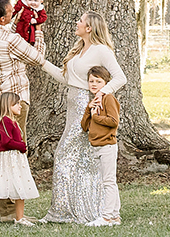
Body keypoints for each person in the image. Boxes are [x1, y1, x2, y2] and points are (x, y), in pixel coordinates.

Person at [41, 12, 127, 224]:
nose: (76, 23)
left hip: (85, 108)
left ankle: (87, 210)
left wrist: (100, 94)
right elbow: (66, 78)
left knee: (65, 155)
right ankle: (70, 209)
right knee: (79, 159)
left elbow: (120, 77)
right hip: (72, 107)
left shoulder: (101, 50)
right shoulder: (79, 48)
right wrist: (41, 62)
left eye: (80, 21)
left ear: (89, 27)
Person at [0, 0, 63, 123]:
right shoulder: (11, 40)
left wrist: (15, 24)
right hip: (15, 100)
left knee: (2, 140)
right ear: (2, 19)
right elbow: (38, 58)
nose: (15, 12)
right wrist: (38, 31)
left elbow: (1, 38)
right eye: (11, 12)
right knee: (18, 141)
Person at [0, 100, 37, 225]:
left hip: (15, 159)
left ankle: (19, 218)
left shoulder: (13, 121)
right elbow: (6, 141)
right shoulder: (5, 120)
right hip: (7, 159)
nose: (20, 106)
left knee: (20, 187)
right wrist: (21, 146)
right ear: (8, 106)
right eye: (16, 104)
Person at [81, 66, 120, 225]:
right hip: (95, 146)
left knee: (108, 182)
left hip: (107, 146)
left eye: (98, 81)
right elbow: (84, 126)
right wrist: (88, 110)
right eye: (91, 81)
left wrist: (96, 117)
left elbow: (113, 121)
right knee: (106, 181)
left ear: (106, 82)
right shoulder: (93, 101)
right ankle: (115, 216)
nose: (94, 84)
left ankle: (106, 217)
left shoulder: (108, 98)